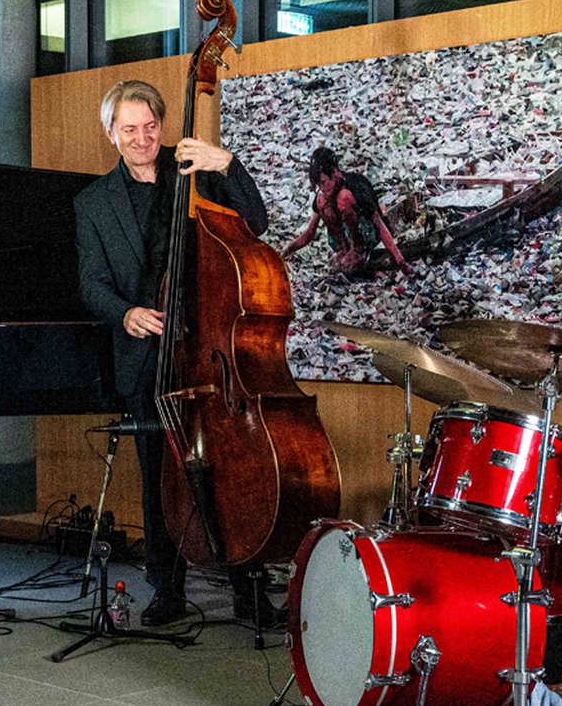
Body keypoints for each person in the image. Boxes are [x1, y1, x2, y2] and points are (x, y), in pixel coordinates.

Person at [75, 79, 280, 627]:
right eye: (129, 129)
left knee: (229, 470)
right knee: (158, 476)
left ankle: (249, 591)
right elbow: (90, 282)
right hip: (147, 358)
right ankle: (166, 589)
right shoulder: (92, 203)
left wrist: (226, 162)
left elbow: (256, 223)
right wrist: (125, 313)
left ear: (161, 125)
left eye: (150, 127)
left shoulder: (193, 170)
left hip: (209, 349)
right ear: (110, 132)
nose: (142, 139)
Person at [280, 146, 412, 277]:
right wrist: (286, 251)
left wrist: (400, 261)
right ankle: (343, 249)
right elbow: (310, 232)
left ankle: (358, 250)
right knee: (322, 202)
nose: (322, 188)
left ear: (335, 173)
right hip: (344, 237)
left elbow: (380, 225)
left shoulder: (355, 185)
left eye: (323, 182)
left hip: (368, 235)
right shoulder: (323, 196)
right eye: (318, 185)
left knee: (344, 197)